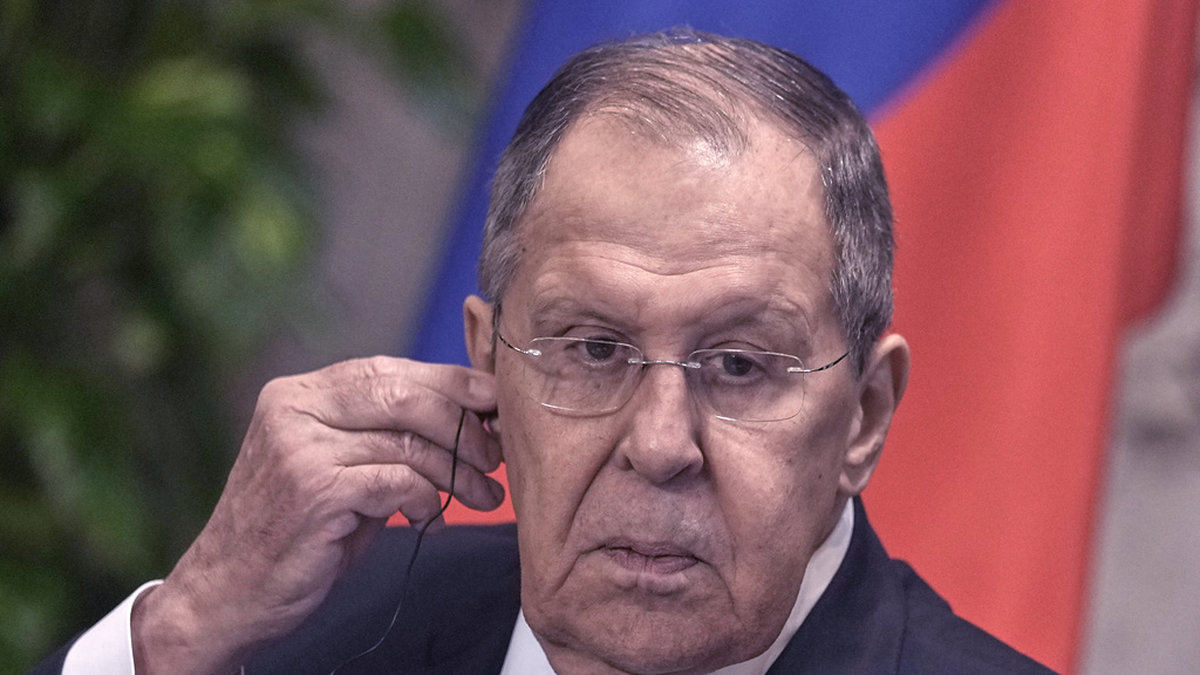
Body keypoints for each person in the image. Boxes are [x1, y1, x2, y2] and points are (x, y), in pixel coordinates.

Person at [34, 29, 1056, 674]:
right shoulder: (309, 631)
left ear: (865, 414)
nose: (661, 444)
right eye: (594, 348)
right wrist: (181, 631)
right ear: (489, 370)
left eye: (740, 364)